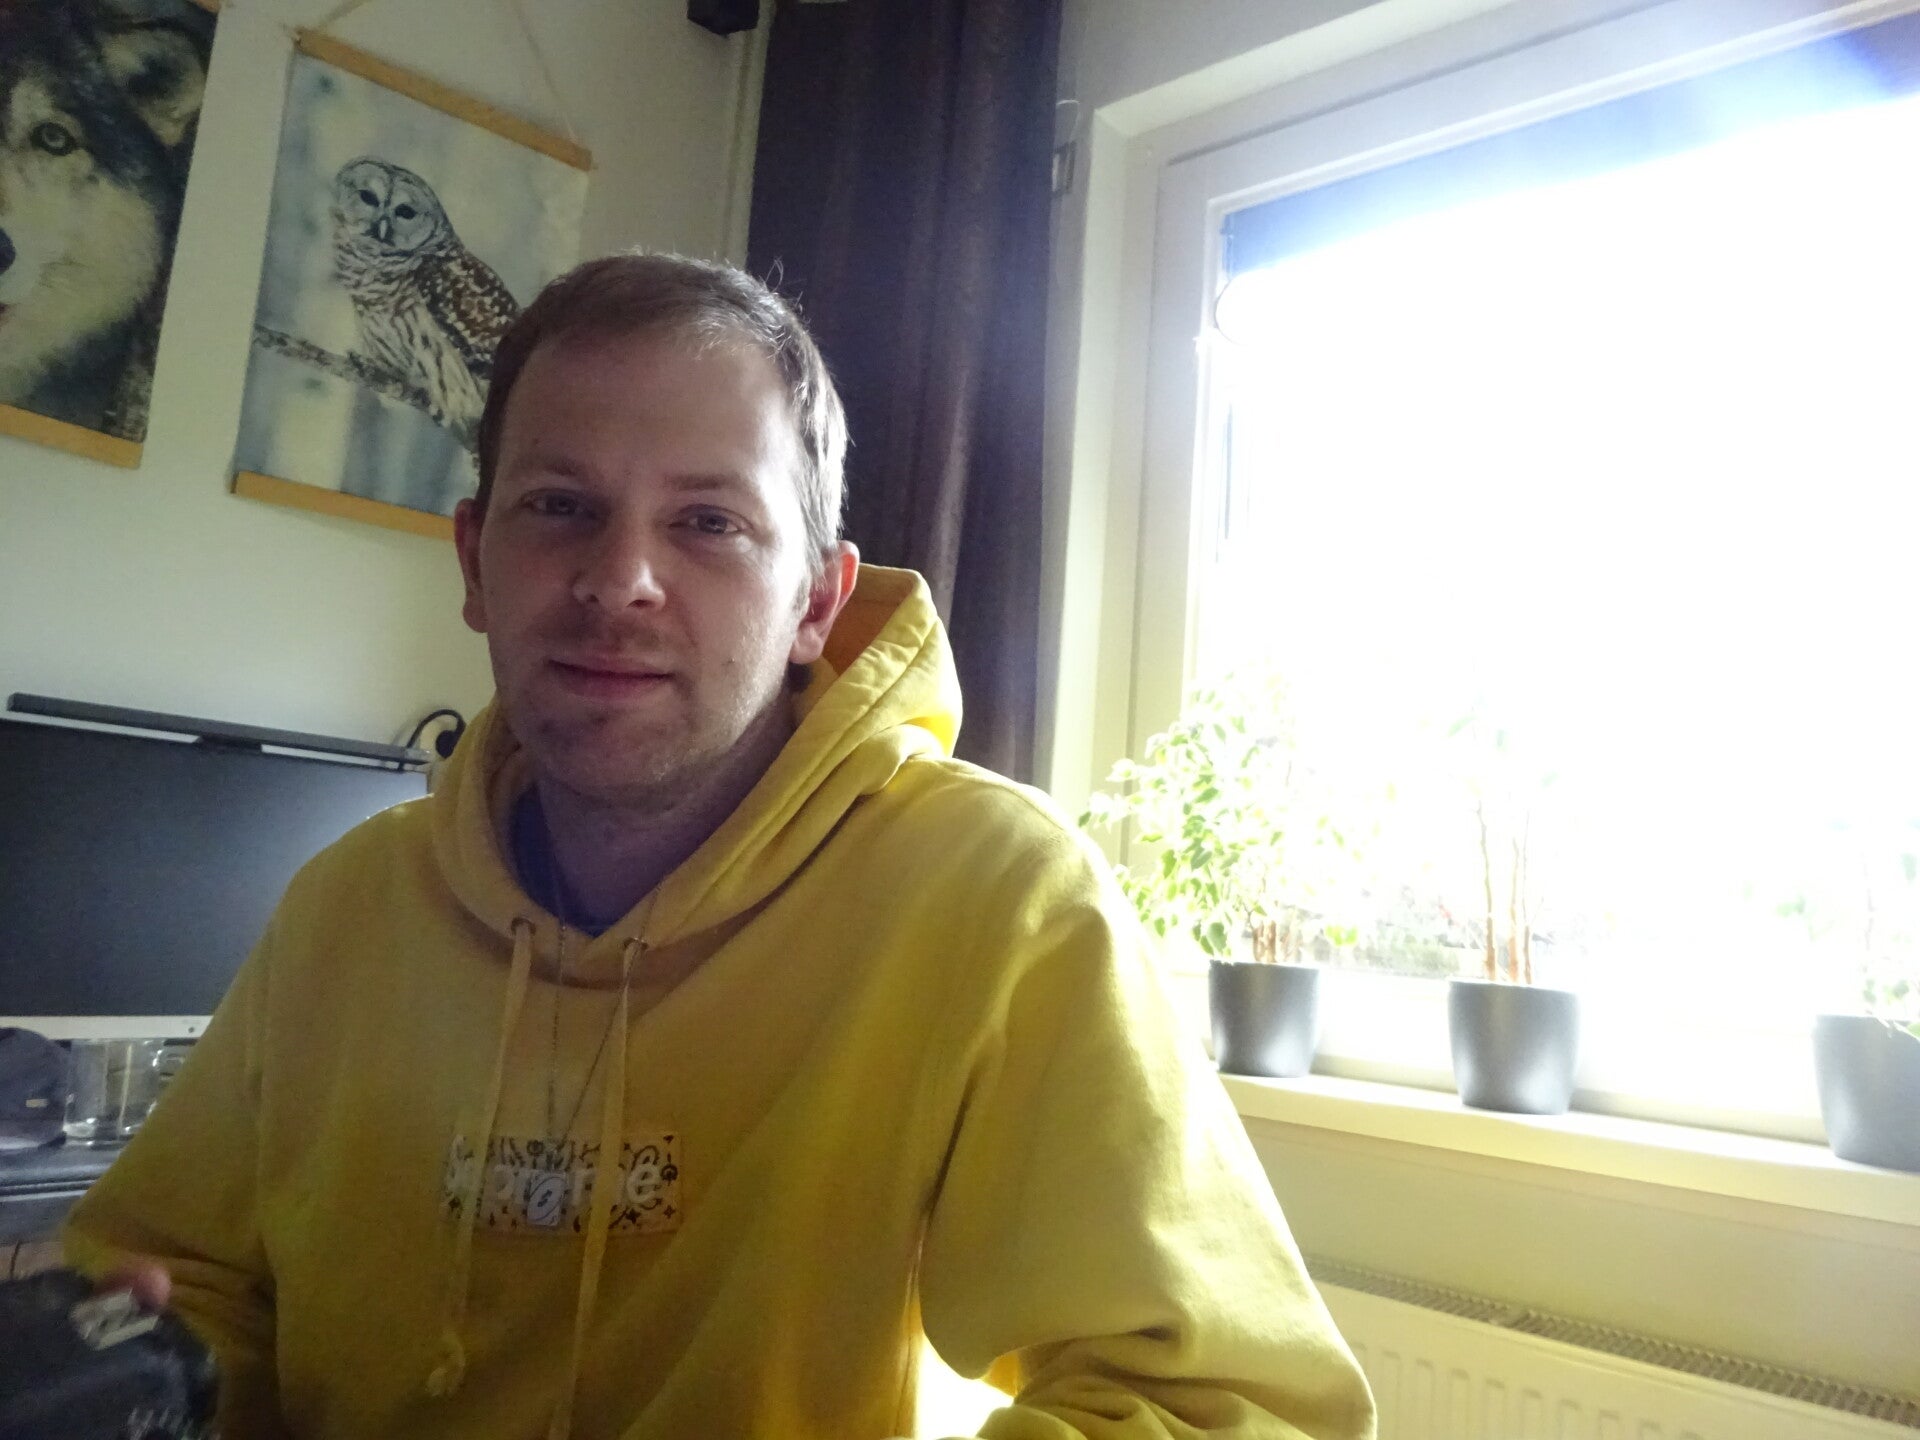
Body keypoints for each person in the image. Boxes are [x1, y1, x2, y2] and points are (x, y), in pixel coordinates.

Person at [64, 254, 1375, 1440]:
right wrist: (128, 1383)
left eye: (708, 523)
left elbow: (1221, 1413)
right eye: (560, 505)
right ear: (472, 562)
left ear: (815, 602)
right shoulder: (347, 907)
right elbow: (180, 1288)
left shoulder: (999, 901)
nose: (620, 579)